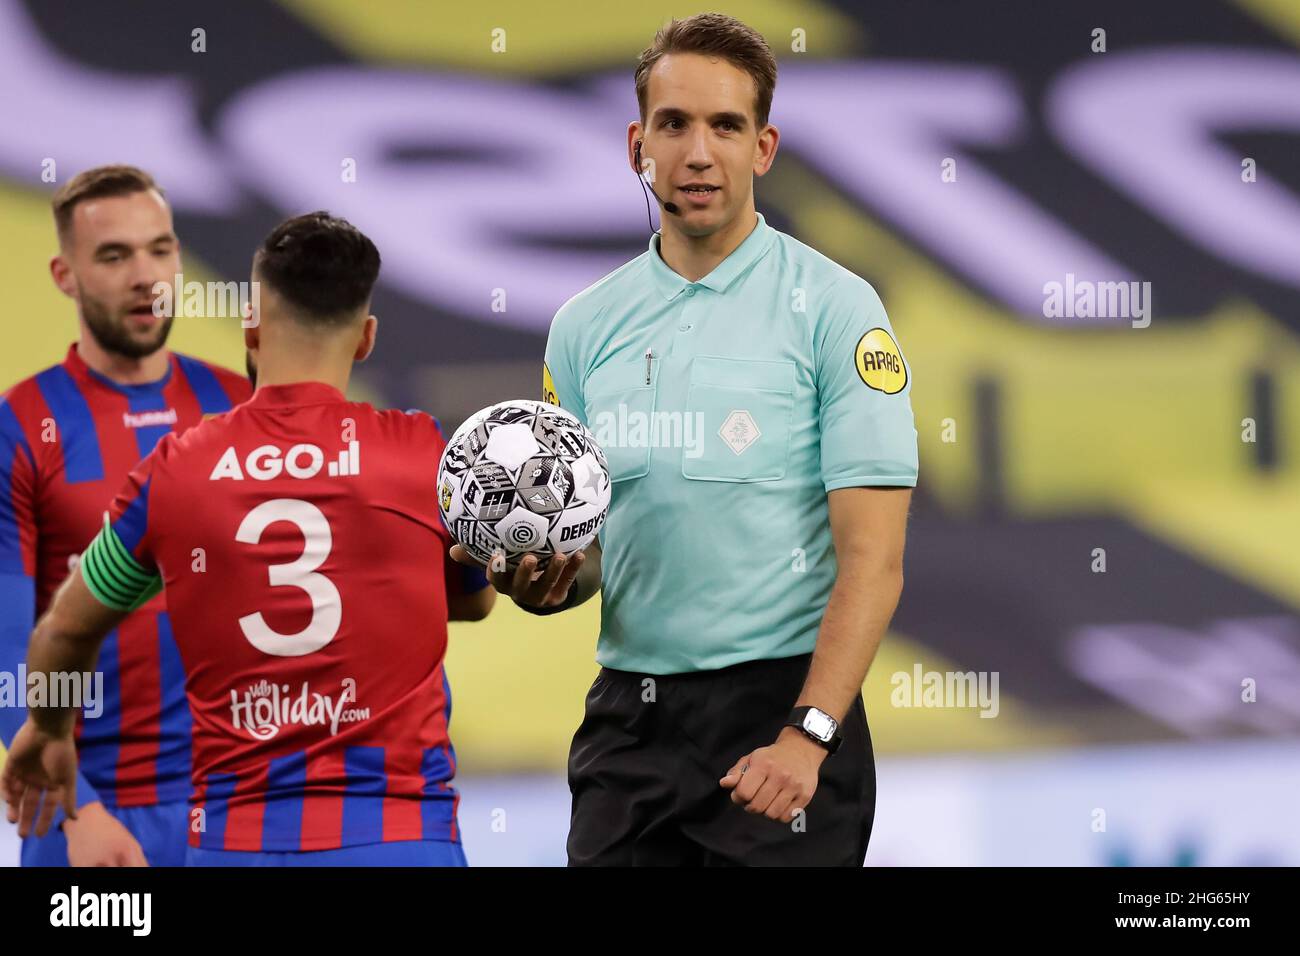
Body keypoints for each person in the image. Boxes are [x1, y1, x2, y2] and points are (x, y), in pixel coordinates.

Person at [457, 12, 918, 866]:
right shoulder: (582, 329)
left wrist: (809, 736)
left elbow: (875, 561)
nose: (697, 152)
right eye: (673, 124)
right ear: (638, 142)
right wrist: (545, 580)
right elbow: (591, 553)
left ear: (764, 148)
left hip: (781, 717)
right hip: (629, 730)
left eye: (725, 126)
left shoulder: (839, 309)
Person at [3, 211, 494, 866]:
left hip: (239, 843)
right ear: (367, 338)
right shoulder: (423, 452)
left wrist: (50, 729)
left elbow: (64, 630)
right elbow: (472, 600)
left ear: (252, 325)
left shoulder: (175, 470)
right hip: (400, 836)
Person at [0, 165, 251, 866]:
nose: (147, 275)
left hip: (238, 808)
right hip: (85, 815)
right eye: (114, 255)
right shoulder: (22, 427)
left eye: (161, 249)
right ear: (65, 274)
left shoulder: (241, 409)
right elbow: (9, 641)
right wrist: (79, 808)